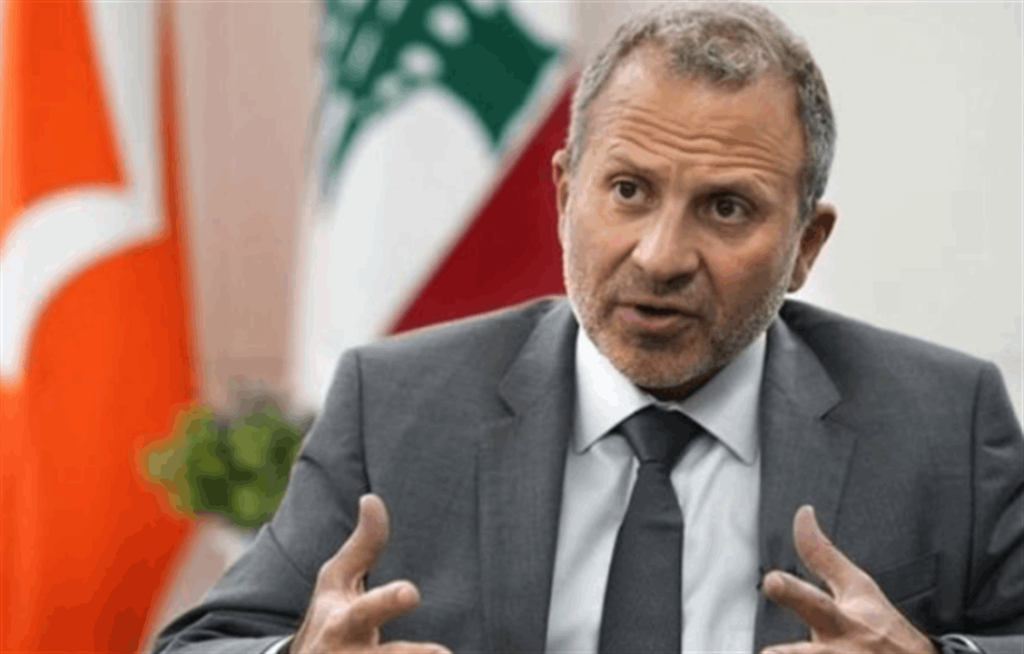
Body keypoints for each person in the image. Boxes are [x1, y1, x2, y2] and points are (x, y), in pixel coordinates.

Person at [155, 3, 1023, 654]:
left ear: (806, 246)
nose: (660, 256)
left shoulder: (946, 421)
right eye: (628, 191)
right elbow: (201, 644)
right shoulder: (393, 406)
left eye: (726, 208)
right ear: (566, 194)